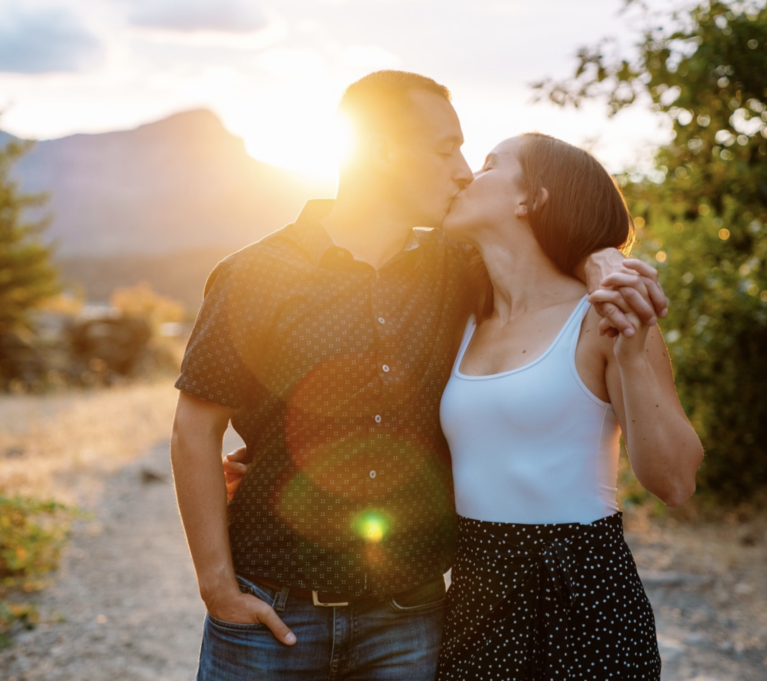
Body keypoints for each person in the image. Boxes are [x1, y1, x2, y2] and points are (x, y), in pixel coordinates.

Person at [170, 70, 667, 681]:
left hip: (409, 615)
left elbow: (542, 248)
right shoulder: (254, 274)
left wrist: (602, 260)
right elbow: (194, 431)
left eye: (470, 155)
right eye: (445, 149)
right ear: (381, 151)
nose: (461, 169)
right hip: (272, 606)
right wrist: (218, 588)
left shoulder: (456, 266)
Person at [434, 132, 704, 679]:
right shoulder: (457, 317)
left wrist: (631, 355)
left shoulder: (606, 316)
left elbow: (674, 483)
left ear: (530, 199)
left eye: (488, 164)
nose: (465, 175)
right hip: (476, 593)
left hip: (584, 591)